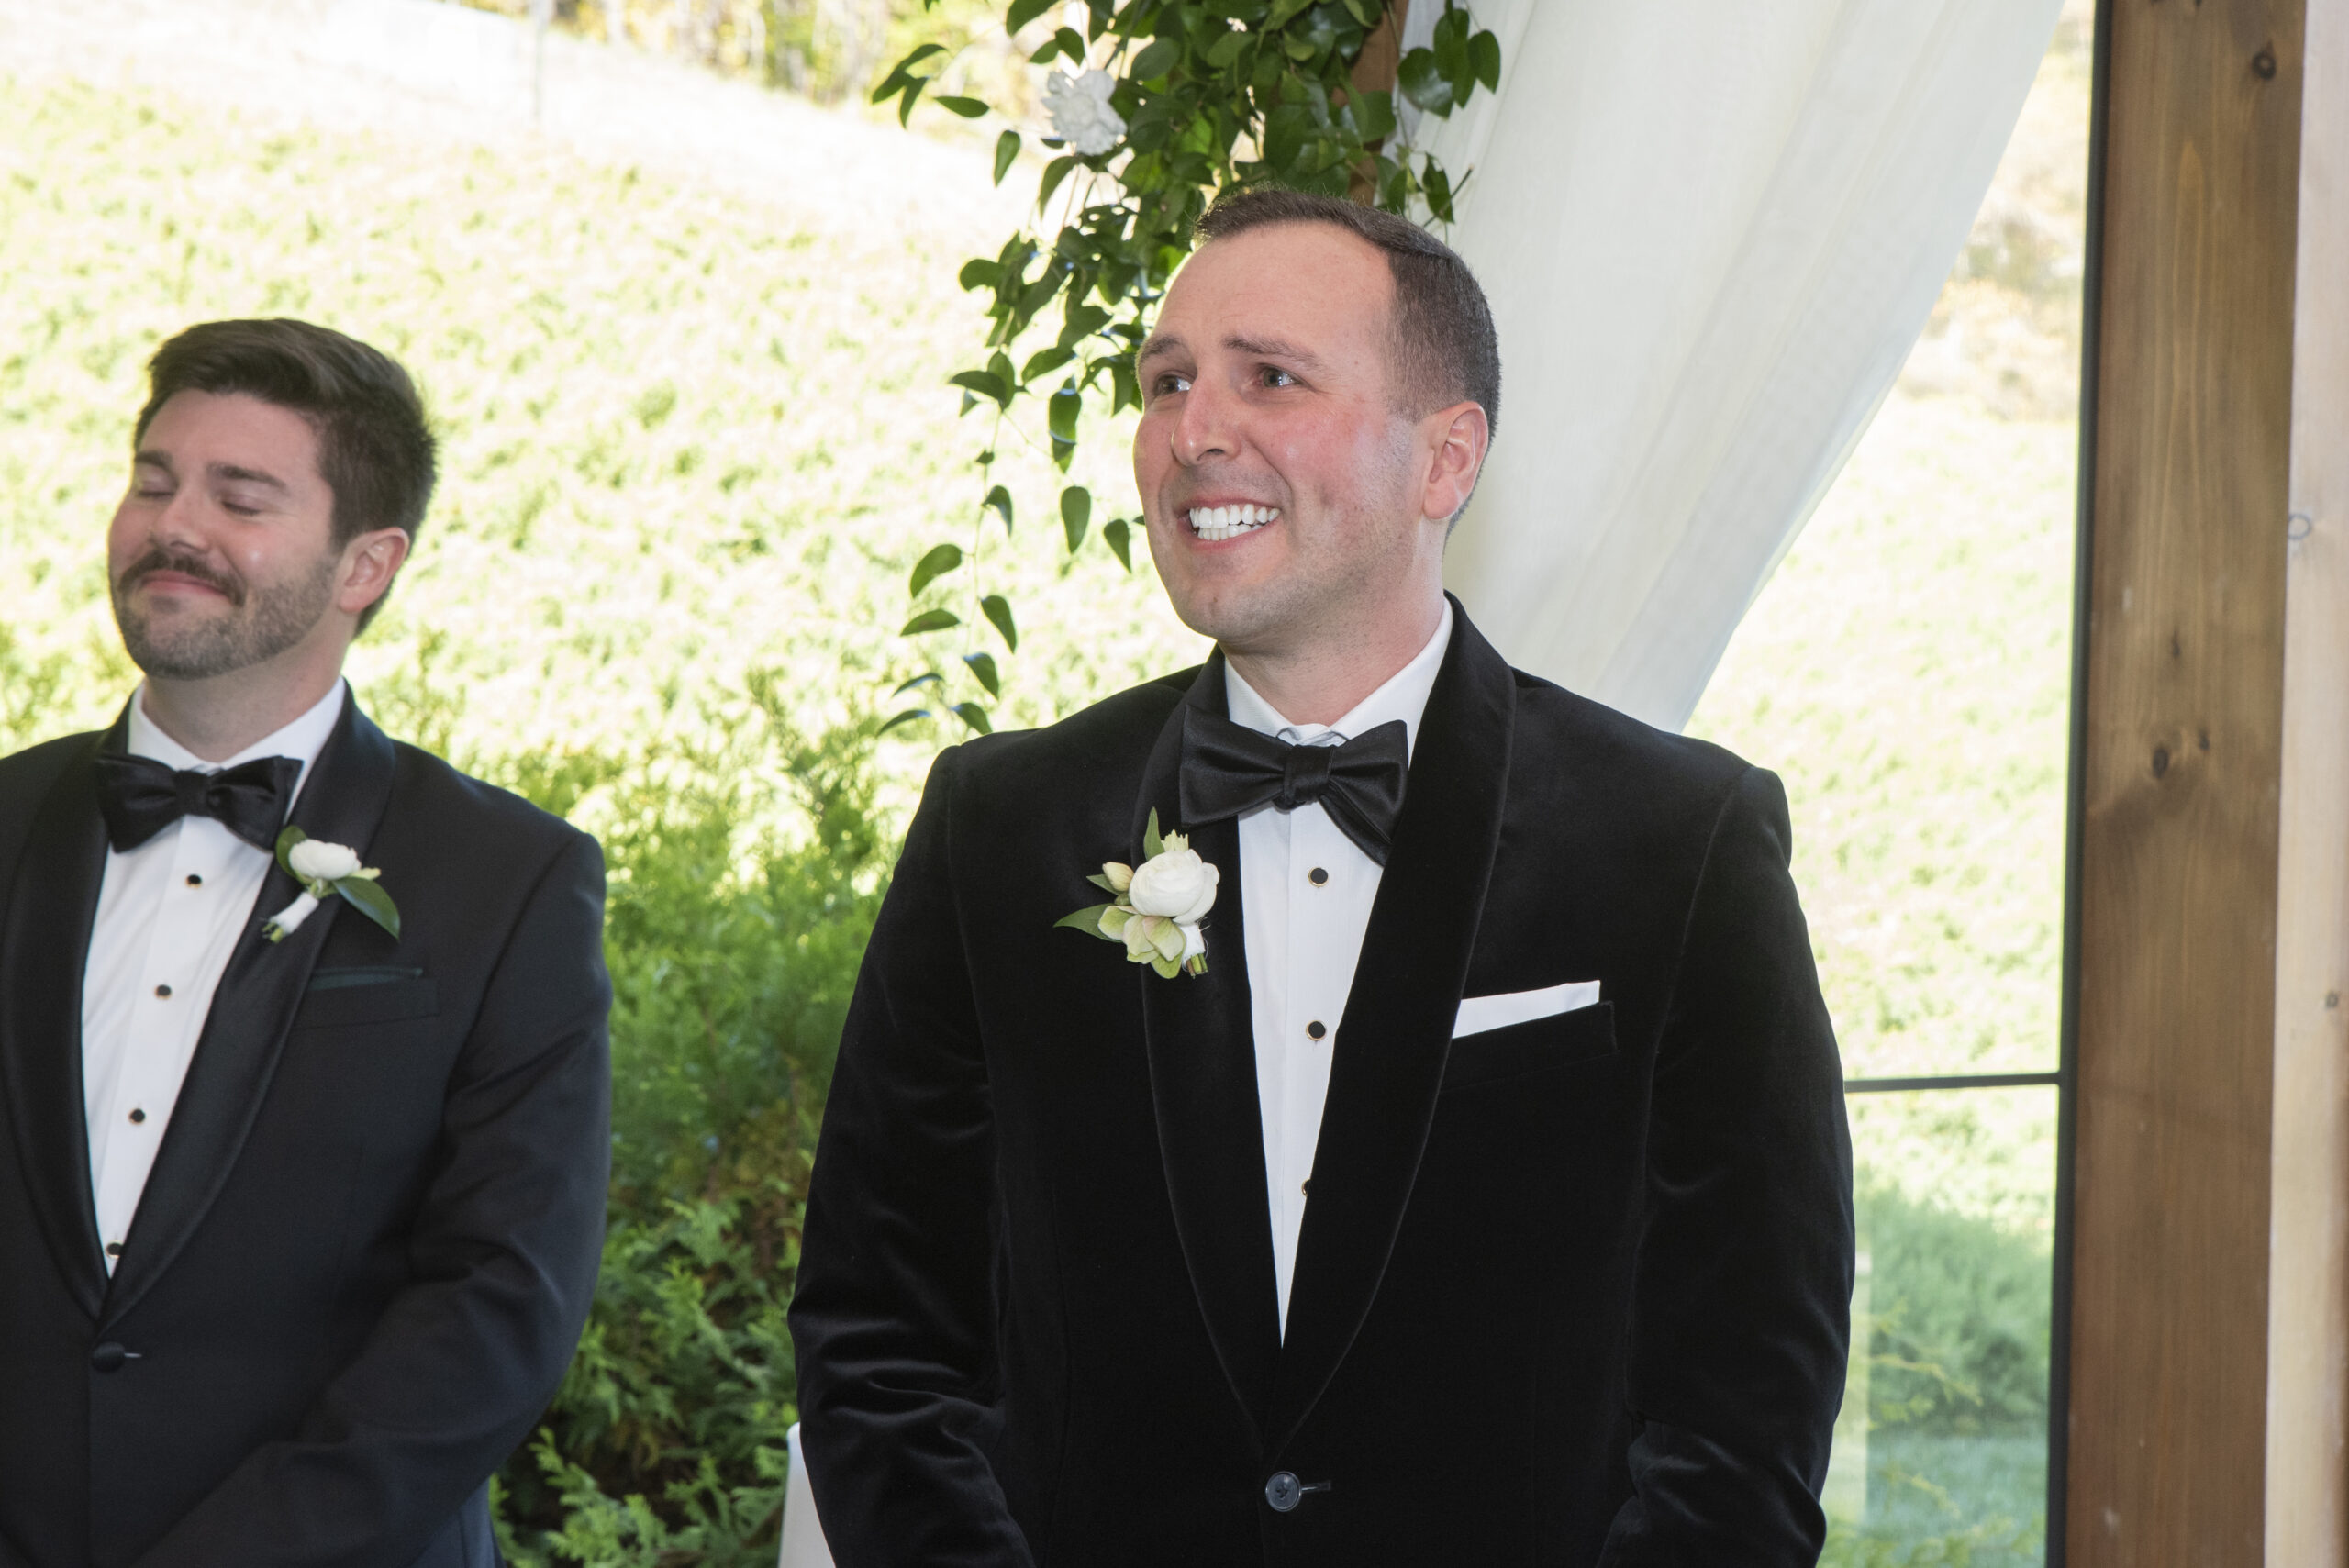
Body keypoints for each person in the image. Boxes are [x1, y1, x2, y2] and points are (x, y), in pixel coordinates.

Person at [788, 187, 1854, 1564]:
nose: (1194, 431)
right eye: (1167, 382)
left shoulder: (1679, 843)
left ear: (1445, 460)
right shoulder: (998, 827)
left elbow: (1747, 1411)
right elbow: (879, 1340)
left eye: (1269, 377)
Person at [0, 319, 612, 1568]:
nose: (175, 526)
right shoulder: (5, 823)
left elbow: (500, 1308)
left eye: (244, 497)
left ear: (363, 566)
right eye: (154, 479)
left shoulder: (512, 881)